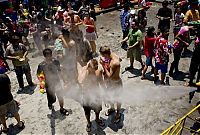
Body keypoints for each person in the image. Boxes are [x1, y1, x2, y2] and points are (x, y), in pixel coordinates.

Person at [37, 48, 69, 115]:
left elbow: (60, 72)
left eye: (49, 55)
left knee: (60, 96)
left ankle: (62, 108)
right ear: (44, 56)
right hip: (48, 84)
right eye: (47, 56)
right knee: (52, 98)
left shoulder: (56, 62)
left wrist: (64, 81)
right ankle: (50, 103)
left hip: (57, 82)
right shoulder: (41, 65)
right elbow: (40, 76)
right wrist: (42, 86)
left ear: (51, 55)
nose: (48, 57)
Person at [78, 59, 105, 132]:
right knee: (87, 111)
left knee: (98, 109)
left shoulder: (98, 71)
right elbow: (80, 81)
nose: (95, 70)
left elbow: (101, 82)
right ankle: (89, 122)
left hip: (96, 93)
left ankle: (97, 119)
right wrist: (87, 69)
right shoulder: (83, 70)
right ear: (89, 67)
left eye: (96, 67)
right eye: (94, 68)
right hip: (86, 95)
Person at [99, 46, 122, 124]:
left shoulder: (114, 62)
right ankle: (112, 108)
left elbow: (109, 75)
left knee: (118, 99)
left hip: (116, 83)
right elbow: (120, 59)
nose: (103, 57)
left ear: (105, 54)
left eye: (102, 55)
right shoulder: (113, 55)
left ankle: (118, 113)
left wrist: (103, 65)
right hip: (110, 83)